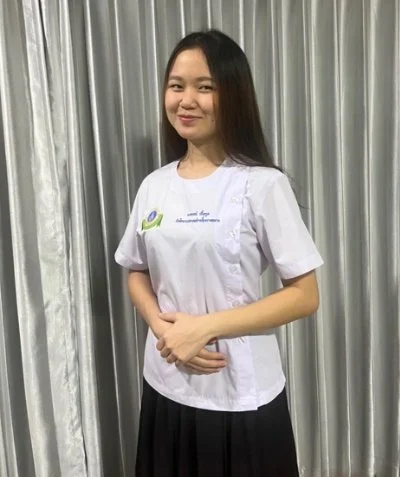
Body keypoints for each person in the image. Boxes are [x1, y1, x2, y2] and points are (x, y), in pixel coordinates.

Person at [115, 29, 323, 477]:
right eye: (176, 86)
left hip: (239, 393)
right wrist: (164, 329)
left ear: (233, 94)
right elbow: (136, 270)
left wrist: (204, 328)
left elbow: (305, 295)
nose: (186, 100)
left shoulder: (262, 184)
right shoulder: (154, 185)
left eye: (204, 87)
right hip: (166, 381)